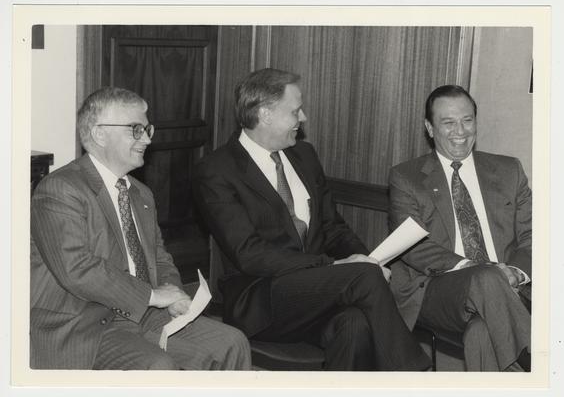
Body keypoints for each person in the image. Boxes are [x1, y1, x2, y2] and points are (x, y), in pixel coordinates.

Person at [192, 68, 430, 371]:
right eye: (295, 110)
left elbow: (332, 228)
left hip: (320, 294)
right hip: (263, 299)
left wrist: (368, 259)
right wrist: (335, 268)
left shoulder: (304, 155)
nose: (302, 118)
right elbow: (249, 254)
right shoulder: (217, 170)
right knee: (362, 276)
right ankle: (414, 377)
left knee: (355, 323)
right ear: (265, 114)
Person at [30, 87, 251, 370]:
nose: (147, 138)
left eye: (147, 129)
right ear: (99, 134)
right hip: (86, 321)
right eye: (136, 129)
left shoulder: (140, 193)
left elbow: (158, 257)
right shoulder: (61, 189)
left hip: (145, 313)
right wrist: (153, 296)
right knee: (157, 366)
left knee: (231, 343)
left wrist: (173, 293)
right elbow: (77, 269)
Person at [388, 85, 531, 371]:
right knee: (487, 277)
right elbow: (414, 248)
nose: (460, 131)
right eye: (448, 122)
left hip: (511, 284)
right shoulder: (406, 177)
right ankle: (541, 364)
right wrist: (476, 268)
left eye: (467, 120)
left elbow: (532, 235)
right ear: (429, 128)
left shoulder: (508, 170)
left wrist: (515, 272)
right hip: (438, 289)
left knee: (481, 334)